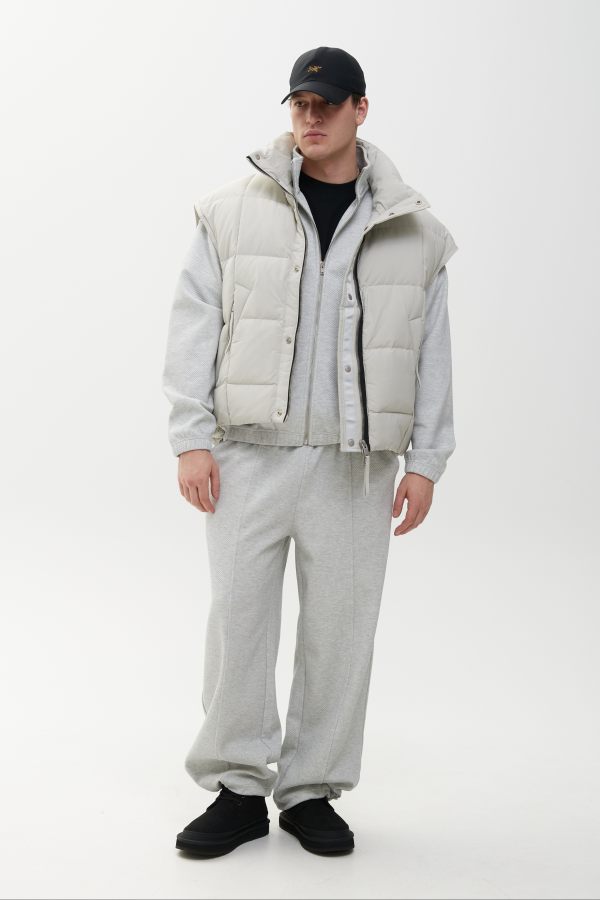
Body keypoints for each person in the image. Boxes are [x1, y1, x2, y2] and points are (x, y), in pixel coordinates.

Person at [162, 45, 458, 858]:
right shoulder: (229, 212)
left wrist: (426, 460)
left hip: (355, 466)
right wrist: (190, 438)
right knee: (239, 625)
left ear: (361, 108)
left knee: (341, 633)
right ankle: (236, 787)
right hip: (246, 456)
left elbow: (432, 352)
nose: (312, 116)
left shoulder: (417, 232)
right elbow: (194, 323)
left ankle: (312, 790)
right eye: (300, 103)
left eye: (328, 103)